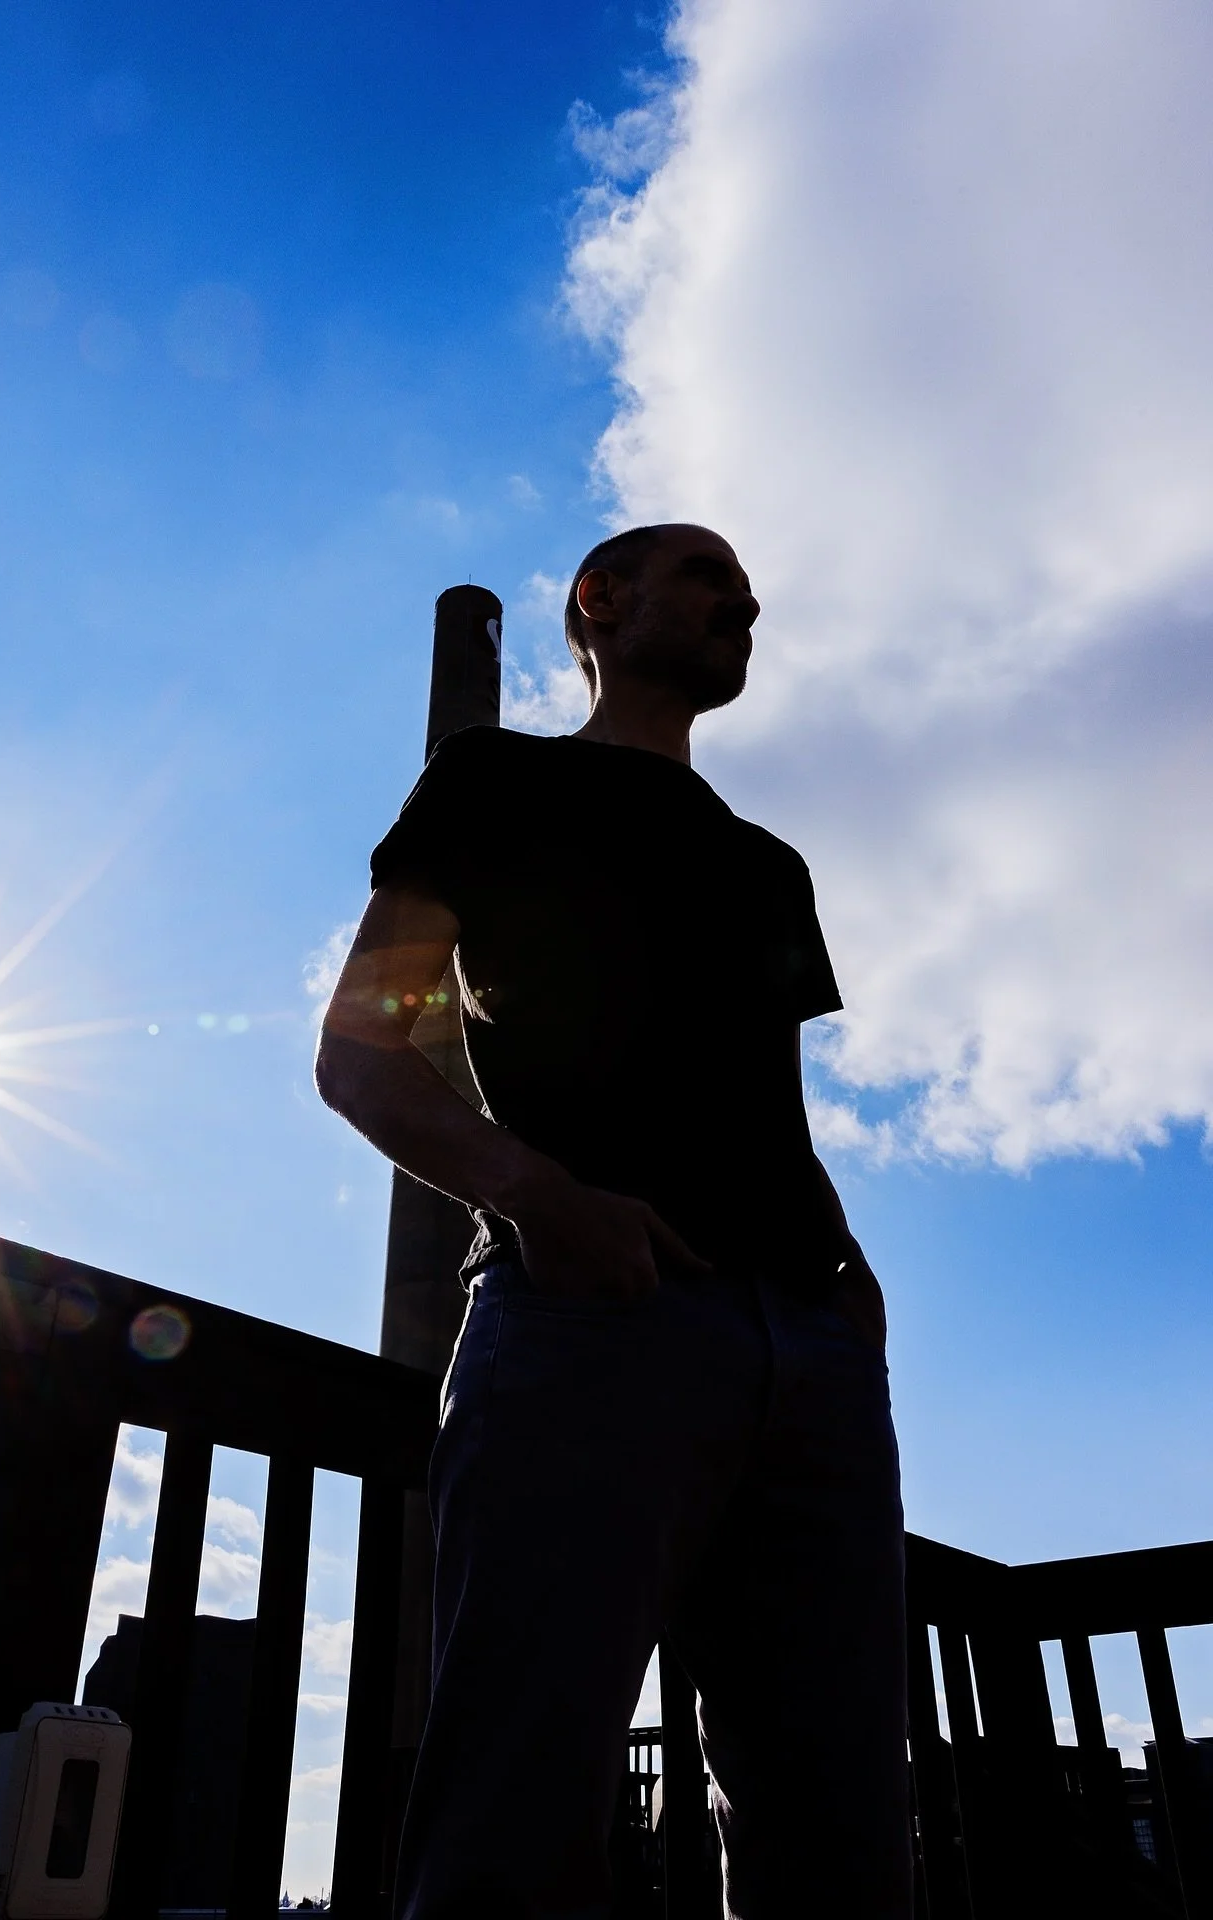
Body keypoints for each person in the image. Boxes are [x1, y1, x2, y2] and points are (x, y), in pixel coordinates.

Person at [316, 524, 911, 1920]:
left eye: (750, 592)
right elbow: (362, 1053)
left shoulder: (771, 864)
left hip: (814, 1347)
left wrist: (854, 1288)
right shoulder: (497, 779)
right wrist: (537, 1197)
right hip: (591, 1321)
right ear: (601, 602)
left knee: (842, 1828)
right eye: (708, 579)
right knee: (516, 1810)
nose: (744, 603)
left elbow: (770, 1101)